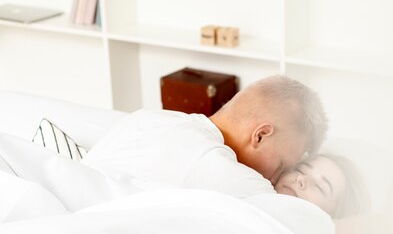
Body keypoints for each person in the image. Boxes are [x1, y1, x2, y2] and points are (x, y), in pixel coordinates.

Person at [82, 74, 328, 198]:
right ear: (261, 135)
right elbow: (298, 232)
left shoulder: (147, 118)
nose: (276, 179)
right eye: (281, 165)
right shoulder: (218, 168)